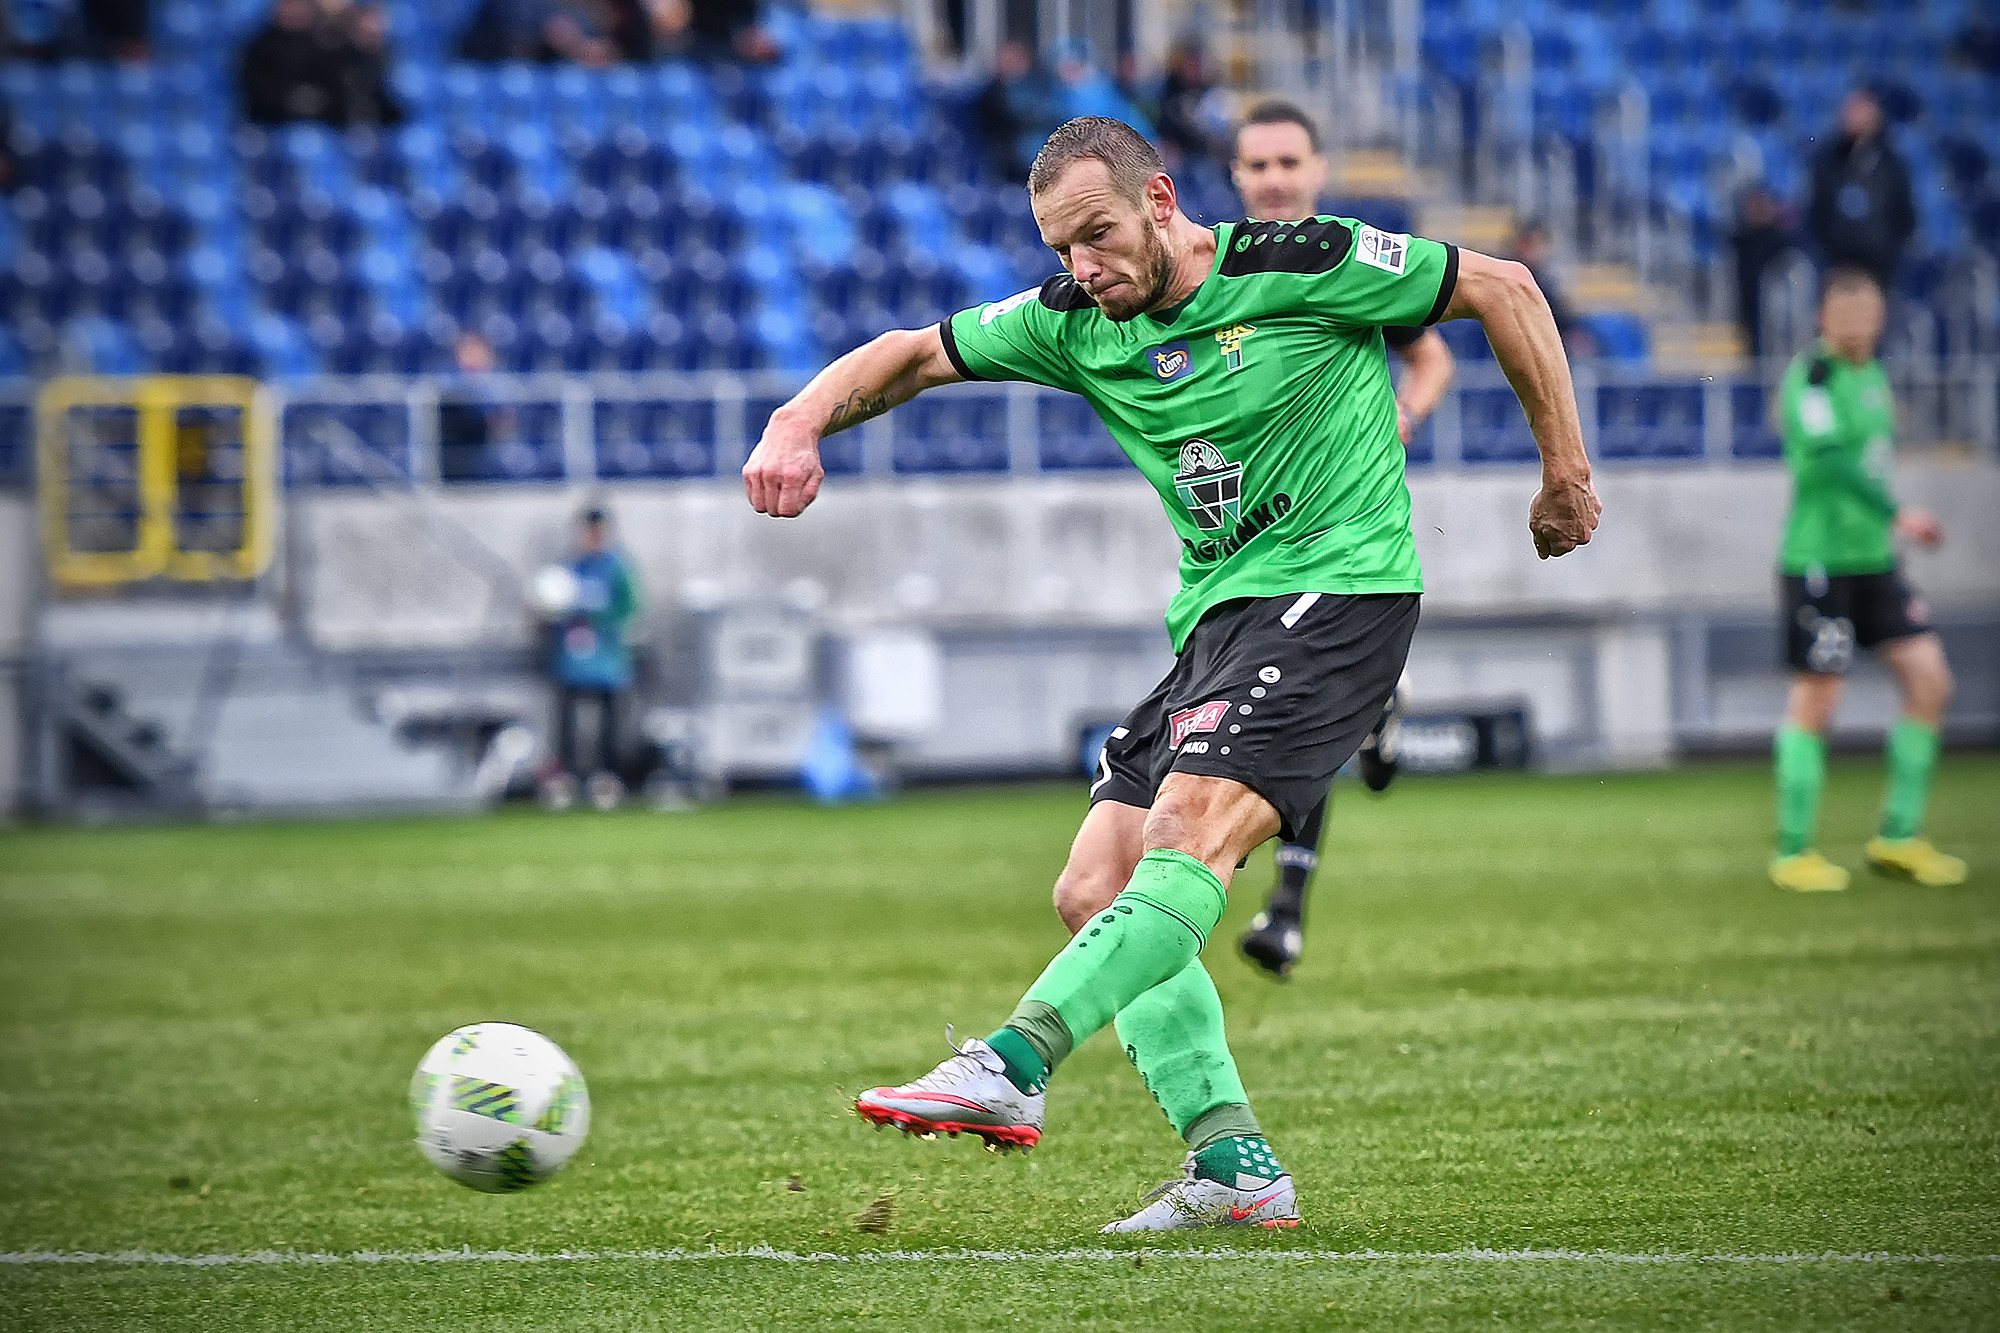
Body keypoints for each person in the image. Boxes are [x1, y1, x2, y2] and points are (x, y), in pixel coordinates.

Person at [741, 116, 1599, 1231]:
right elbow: (913, 353)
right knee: (1094, 885)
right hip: (1217, 624)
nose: (1082, 266)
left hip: (1340, 592)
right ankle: (1233, 1165)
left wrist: (1564, 472)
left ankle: (1011, 1060)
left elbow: (1505, 287)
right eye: (1061, 248)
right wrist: (797, 418)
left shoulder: (1300, 263)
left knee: (1186, 830)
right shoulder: (1073, 323)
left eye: (1096, 234)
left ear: (1159, 200)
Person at [1225, 97, 1456, 978]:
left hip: (1342, 531)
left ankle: (1285, 907)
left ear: (1318, 171)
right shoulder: (1213, 271)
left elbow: (1432, 353)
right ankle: (1374, 709)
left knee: (1289, 705)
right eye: (1258, 164)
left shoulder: (1348, 260)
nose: (1274, 178)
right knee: (1278, 711)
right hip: (1249, 537)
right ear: (1236, 176)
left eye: (1289, 162)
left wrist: (1406, 412)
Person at [1768, 268, 1965, 893]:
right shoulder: (1813, 377)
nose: (1858, 326)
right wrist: (1896, 512)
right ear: (1824, 319)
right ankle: (1793, 851)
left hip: (1875, 563)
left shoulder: (1873, 376)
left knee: (1930, 681)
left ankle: (1898, 837)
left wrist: (1885, 524)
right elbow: (1828, 462)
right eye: (1847, 314)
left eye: (1868, 314)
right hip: (1820, 563)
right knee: (1818, 700)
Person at [542, 507, 640, 813]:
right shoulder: (570, 569)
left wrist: (596, 620)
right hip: (573, 661)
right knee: (567, 725)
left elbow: (630, 609)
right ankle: (567, 780)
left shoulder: (618, 569)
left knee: (609, 726)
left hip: (608, 661)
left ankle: (606, 780)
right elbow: (553, 607)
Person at [1805, 89, 1915, 295]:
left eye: (1862, 111)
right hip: (1835, 262)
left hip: (1880, 265)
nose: (1854, 117)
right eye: (1851, 111)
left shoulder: (1893, 165)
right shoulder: (1826, 161)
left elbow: (1904, 215)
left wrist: (1888, 250)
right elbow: (1816, 211)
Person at [1507, 219, 1595, 359]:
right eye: (1532, 244)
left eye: (1540, 245)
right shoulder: (1508, 278)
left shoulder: (1545, 280)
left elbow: (1559, 316)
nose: (1538, 251)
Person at [1731, 184, 1798, 360]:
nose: (1758, 210)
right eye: (1753, 205)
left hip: (1773, 312)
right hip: (1745, 309)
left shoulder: (1782, 244)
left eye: (1763, 205)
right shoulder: (1738, 242)